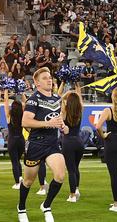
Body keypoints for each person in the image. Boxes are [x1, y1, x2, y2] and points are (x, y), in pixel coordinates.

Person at [17, 67, 67, 222]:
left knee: (60, 175)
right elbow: (25, 122)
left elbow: (59, 121)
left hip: (52, 144)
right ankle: (21, 207)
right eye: (45, 78)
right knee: (28, 181)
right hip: (35, 144)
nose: (49, 79)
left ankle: (46, 205)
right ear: (37, 84)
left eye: (50, 77)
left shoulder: (57, 99)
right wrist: (47, 123)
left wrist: (64, 127)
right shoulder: (34, 99)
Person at [96, 86, 117, 213]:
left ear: (114, 97)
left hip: (112, 142)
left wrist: (104, 135)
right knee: (116, 171)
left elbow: (98, 126)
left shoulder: (108, 110)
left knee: (114, 174)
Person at [59, 82, 83, 203]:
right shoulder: (80, 110)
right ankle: (77, 189)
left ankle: (73, 195)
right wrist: (76, 87)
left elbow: (60, 98)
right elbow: (79, 97)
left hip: (68, 142)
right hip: (79, 142)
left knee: (71, 170)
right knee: (76, 168)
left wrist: (67, 94)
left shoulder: (65, 111)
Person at [3, 89, 26, 190]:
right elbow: (26, 103)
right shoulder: (23, 115)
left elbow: (5, 102)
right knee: (18, 161)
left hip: (12, 140)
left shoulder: (9, 116)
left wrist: (6, 90)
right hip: (21, 140)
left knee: (14, 162)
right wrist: (22, 92)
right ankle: (20, 178)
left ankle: (17, 182)